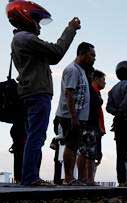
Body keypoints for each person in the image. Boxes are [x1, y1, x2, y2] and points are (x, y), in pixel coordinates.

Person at [8, 0, 81, 186]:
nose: (38, 24)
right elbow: (56, 53)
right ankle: (30, 177)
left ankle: (29, 176)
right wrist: (70, 29)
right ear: (25, 17)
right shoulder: (27, 39)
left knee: (33, 135)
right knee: (36, 135)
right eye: (36, 19)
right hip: (37, 92)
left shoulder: (19, 39)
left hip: (28, 92)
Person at [54, 42, 95, 185]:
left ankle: (70, 177)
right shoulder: (72, 70)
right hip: (69, 116)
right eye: (91, 55)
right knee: (71, 145)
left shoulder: (82, 70)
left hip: (78, 116)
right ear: (82, 54)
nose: (94, 58)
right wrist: (74, 117)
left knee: (74, 145)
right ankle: (68, 178)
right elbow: (69, 94)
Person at [87, 69, 106, 185]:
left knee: (95, 154)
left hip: (97, 128)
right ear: (96, 79)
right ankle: (88, 179)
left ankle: (90, 178)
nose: (105, 82)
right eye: (103, 80)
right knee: (90, 153)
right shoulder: (91, 91)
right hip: (92, 126)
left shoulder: (97, 92)